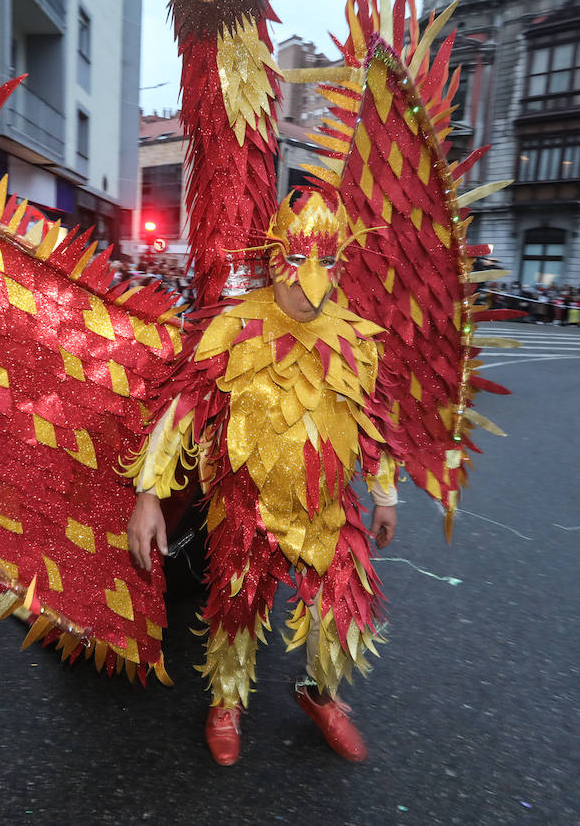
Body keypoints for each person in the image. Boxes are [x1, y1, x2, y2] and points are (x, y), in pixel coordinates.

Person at [125, 193, 398, 767]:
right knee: (235, 606)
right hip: (245, 507)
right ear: (274, 261)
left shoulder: (355, 339)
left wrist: (384, 495)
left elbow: (371, 424)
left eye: (328, 268)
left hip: (327, 509)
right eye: (299, 266)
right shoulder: (234, 327)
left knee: (346, 606)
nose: (312, 287)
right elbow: (180, 413)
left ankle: (319, 695)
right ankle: (226, 702)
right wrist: (148, 494)